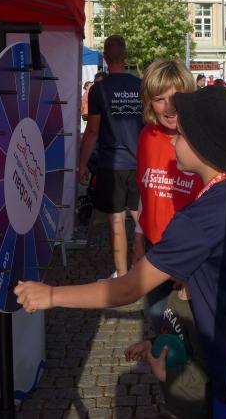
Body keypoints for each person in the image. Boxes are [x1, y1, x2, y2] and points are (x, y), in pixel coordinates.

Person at [15, 86, 226, 418]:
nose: (173, 141)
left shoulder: (198, 220)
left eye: (182, 135)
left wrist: (51, 295)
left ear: (204, 145)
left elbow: (127, 289)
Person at [133, 60, 203, 333]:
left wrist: (192, 267)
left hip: (191, 255)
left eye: (176, 97)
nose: (169, 107)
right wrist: (138, 239)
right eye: (159, 99)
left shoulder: (202, 142)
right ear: (149, 103)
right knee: (156, 321)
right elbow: (146, 192)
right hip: (155, 251)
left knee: (187, 333)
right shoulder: (146, 136)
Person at [79, 35, 144, 278]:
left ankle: (122, 276)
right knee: (142, 222)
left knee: (117, 224)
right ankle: (143, 273)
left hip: (112, 165)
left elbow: (92, 132)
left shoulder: (99, 89)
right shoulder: (140, 86)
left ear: (105, 57)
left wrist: (82, 165)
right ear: (125, 56)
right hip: (139, 162)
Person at [124, 285, 211, 419]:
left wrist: (166, 374)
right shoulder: (174, 295)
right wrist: (151, 344)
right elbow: (173, 338)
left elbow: (205, 371)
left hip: (195, 409)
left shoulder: (199, 312)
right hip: (174, 403)